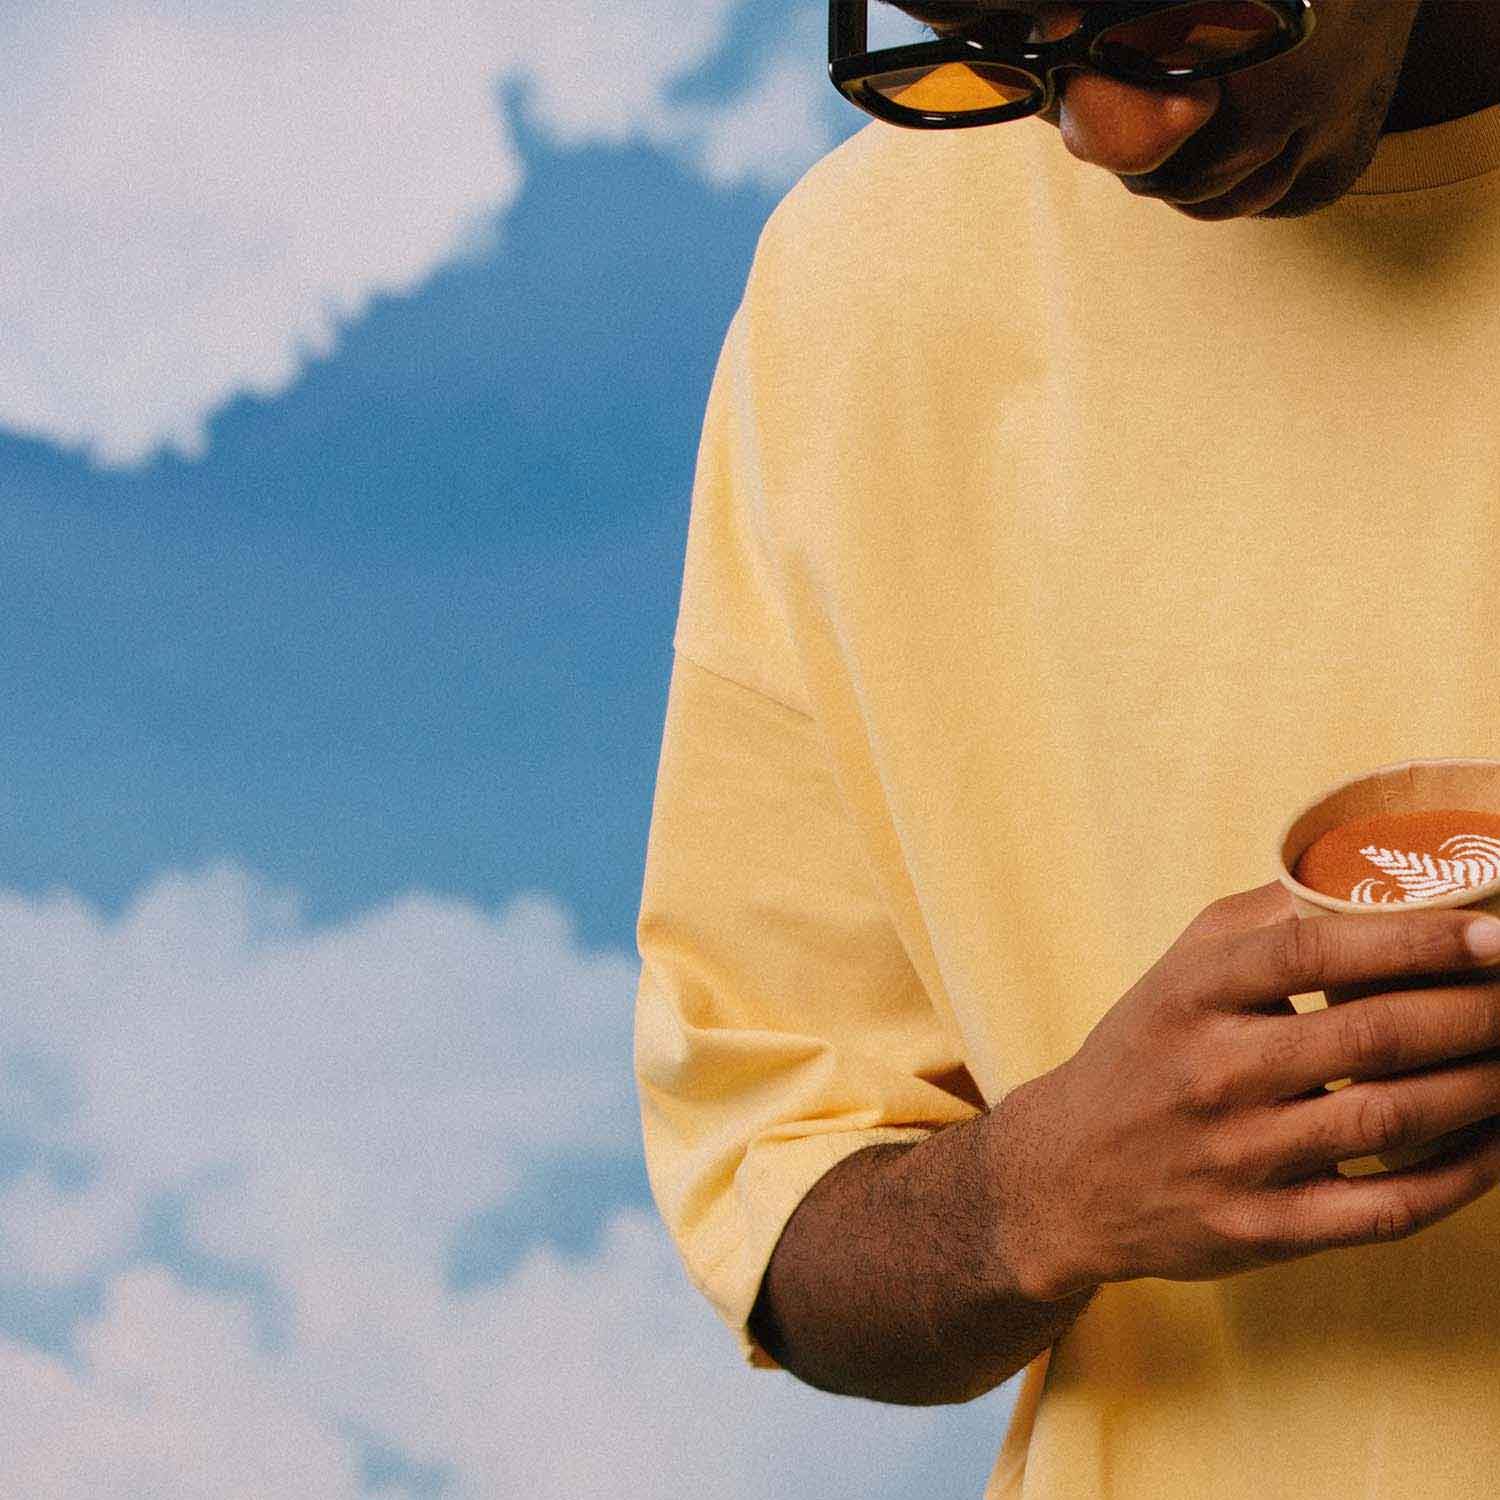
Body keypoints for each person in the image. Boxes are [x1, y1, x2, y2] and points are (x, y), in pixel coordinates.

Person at [633, 2, 1500, 1494]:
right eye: (991, 40)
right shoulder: (858, 292)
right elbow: (783, 1202)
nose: (1113, 136)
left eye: (1173, 9)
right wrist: (1035, 1195)